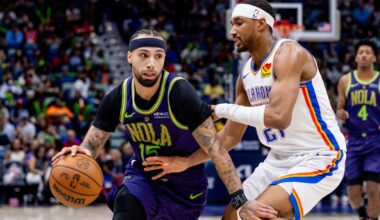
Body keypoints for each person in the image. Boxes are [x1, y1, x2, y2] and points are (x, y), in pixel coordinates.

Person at [142, 1, 347, 219]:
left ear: (260, 24)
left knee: (257, 215)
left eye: (239, 23)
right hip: (277, 158)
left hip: (319, 155)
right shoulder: (246, 73)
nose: (232, 31)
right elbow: (231, 135)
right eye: (232, 24)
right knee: (231, 216)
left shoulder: (289, 53)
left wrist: (220, 109)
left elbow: (278, 118)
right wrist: (185, 162)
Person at [52, 29, 277, 220]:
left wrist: (241, 201)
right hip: (143, 179)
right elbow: (92, 144)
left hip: (185, 187)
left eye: (158, 56)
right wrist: (81, 153)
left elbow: (216, 150)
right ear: (130, 57)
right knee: (126, 204)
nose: (152, 63)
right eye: (144, 55)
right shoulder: (118, 97)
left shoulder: (179, 93)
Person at [337, 40, 379, 220]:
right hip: (353, 141)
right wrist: (341, 114)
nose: (363, 55)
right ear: (355, 57)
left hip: (375, 140)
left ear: (375, 58)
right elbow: (339, 109)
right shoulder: (345, 80)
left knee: (373, 189)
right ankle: (364, 216)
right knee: (353, 195)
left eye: (368, 52)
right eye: (360, 52)